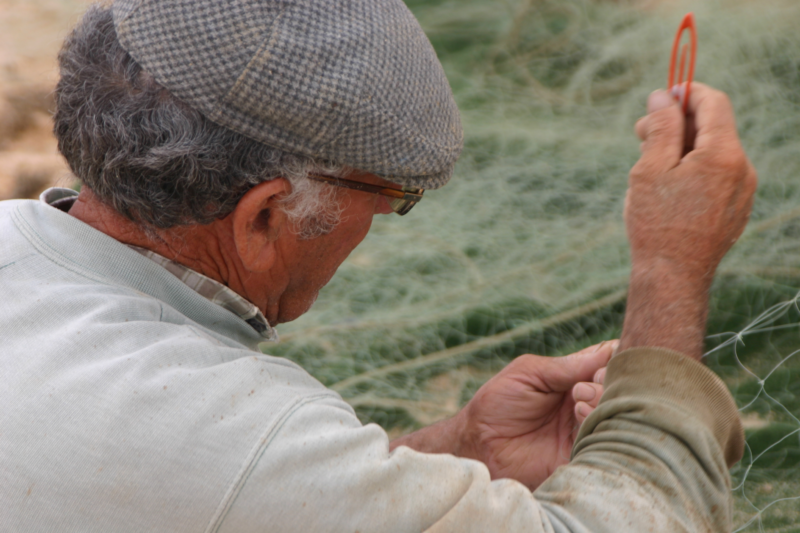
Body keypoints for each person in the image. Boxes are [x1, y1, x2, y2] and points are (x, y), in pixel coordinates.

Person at [0, 1, 757, 531]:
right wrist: (670, 265)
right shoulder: (223, 434)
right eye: (391, 196)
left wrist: (460, 451)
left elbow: (211, 492)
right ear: (264, 216)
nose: (382, 220)